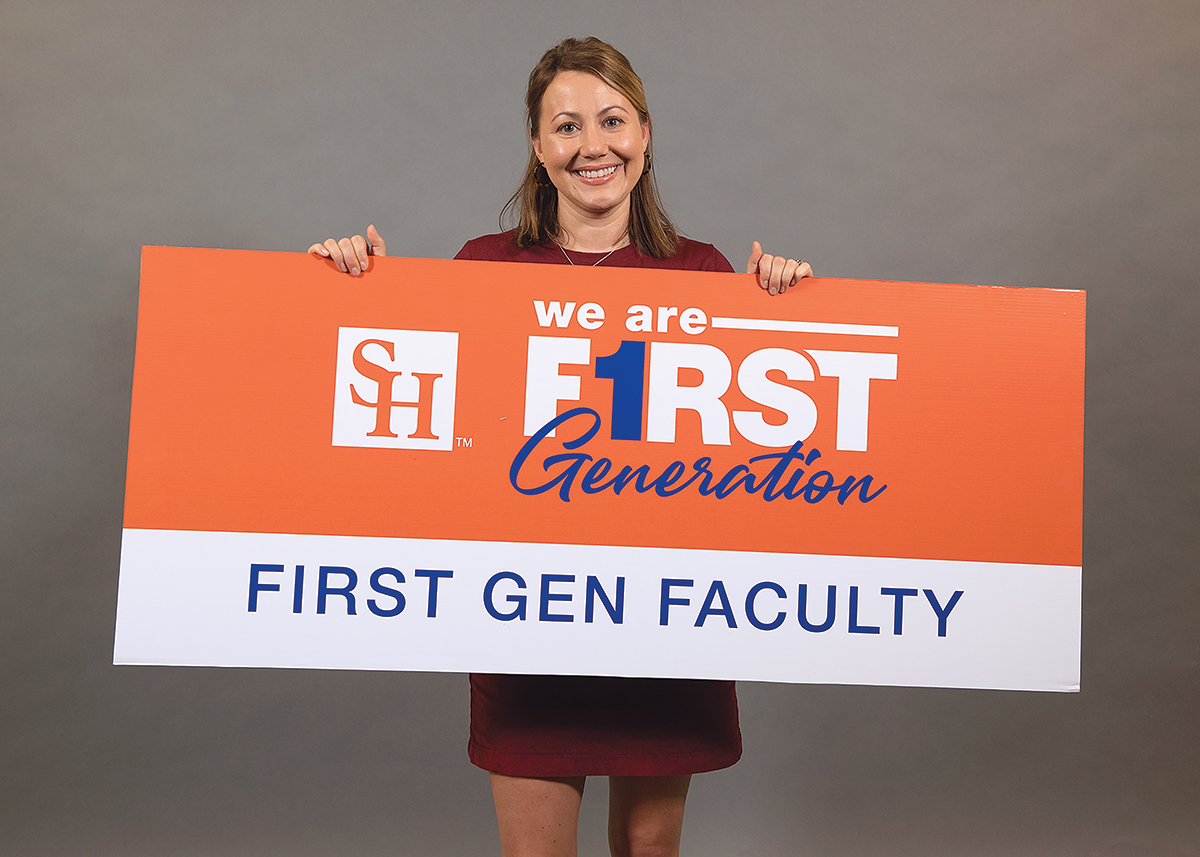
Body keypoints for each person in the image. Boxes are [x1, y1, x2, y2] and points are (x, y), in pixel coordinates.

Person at [310, 36, 812, 857]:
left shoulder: (706, 275)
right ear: (540, 149)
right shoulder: (480, 269)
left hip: (664, 622)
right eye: (567, 126)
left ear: (644, 134)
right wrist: (356, 288)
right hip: (528, 623)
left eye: (611, 120)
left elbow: (756, 454)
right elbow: (423, 418)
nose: (593, 145)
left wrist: (787, 310)